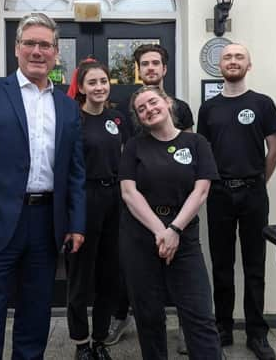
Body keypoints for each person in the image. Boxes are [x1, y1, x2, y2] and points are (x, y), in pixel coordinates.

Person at [0, 13, 86, 359]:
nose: (37, 51)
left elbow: (74, 172)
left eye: (45, 45)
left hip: (46, 225)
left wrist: (75, 223)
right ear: (17, 49)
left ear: (56, 53)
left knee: (35, 315)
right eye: (30, 43)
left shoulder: (68, 107)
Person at [119, 85, 222, 360]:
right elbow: (129, 192)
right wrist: (160, 231)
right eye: (141, 109)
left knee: (199, 314)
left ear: (167, 103)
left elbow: (201, 191)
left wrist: (175, 229)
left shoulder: (197, 143)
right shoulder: (134, 146)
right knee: (149, 316)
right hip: (141, 237)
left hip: (184, 236)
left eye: (153, 102)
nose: (149, 110)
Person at [197, 43, 276, 360]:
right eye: (227, 57)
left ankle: (257, 334)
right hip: (219, 194)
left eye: (239, 57)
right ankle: (222, 327)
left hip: (253, 193)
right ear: (219, 65)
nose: (233, 61)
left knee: (255, 266)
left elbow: (275, 149)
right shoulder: (209, 108)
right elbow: (204, 152)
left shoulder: (263, 103)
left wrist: (259, 181)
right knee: (221, 264)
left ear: (250, 64)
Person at [107, 43, 193, 352]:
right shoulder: (124, 109)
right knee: (129, 264)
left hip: (177, 201)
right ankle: (122, 315)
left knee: (182, 264)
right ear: (138, 69)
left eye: (156, 63)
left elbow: (190, 150)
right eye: (145, 64)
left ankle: (186, 324)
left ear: (165, 68)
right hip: (136, 200)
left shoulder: (181, 108)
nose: (151, 68)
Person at [66, 60, 128, 360]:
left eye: (103, 81)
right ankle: (81, 342)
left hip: (114, 197)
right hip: (84, 197)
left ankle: (100, 339)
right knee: (80, 275)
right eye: (92, 82)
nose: (99, 87)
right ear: (82, 87)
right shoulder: (72, 120)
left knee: (109, 275)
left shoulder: (117, 119)